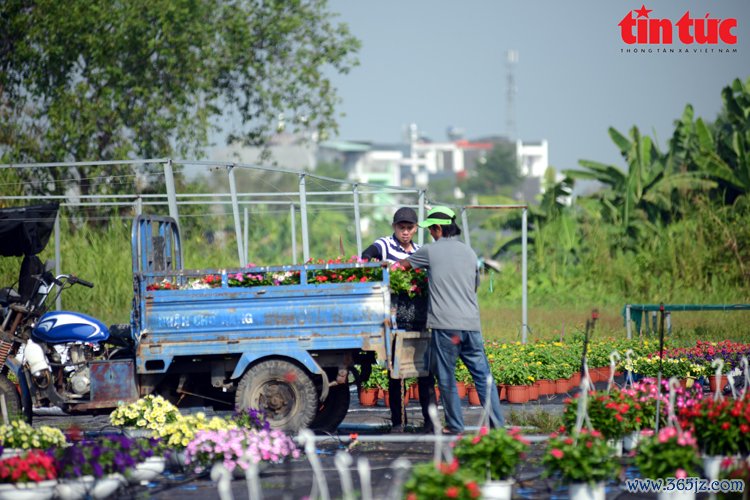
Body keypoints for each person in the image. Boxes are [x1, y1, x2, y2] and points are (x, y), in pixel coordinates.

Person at [398, 206, 504, 434]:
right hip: (471, 325)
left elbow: (401, 267)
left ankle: (456, 426)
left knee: (446, 376)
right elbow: (474, 286)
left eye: (431, 230)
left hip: (445, 326)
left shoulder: (430, 251)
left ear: (438, 228)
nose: (430, 234)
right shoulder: (469, 252)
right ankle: (498, 428)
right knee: (483, 377)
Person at [362, 206, 437, 433]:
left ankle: (430, 422)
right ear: (394, 227)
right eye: (401, 227)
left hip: (419, 317)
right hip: (394, 319)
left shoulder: (420, 249)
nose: (405, 232)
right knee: (396, 373)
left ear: (415, 229)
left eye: (409, 228)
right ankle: (397, 422)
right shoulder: (385, 245)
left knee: (425, 374)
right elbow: (366, 256)